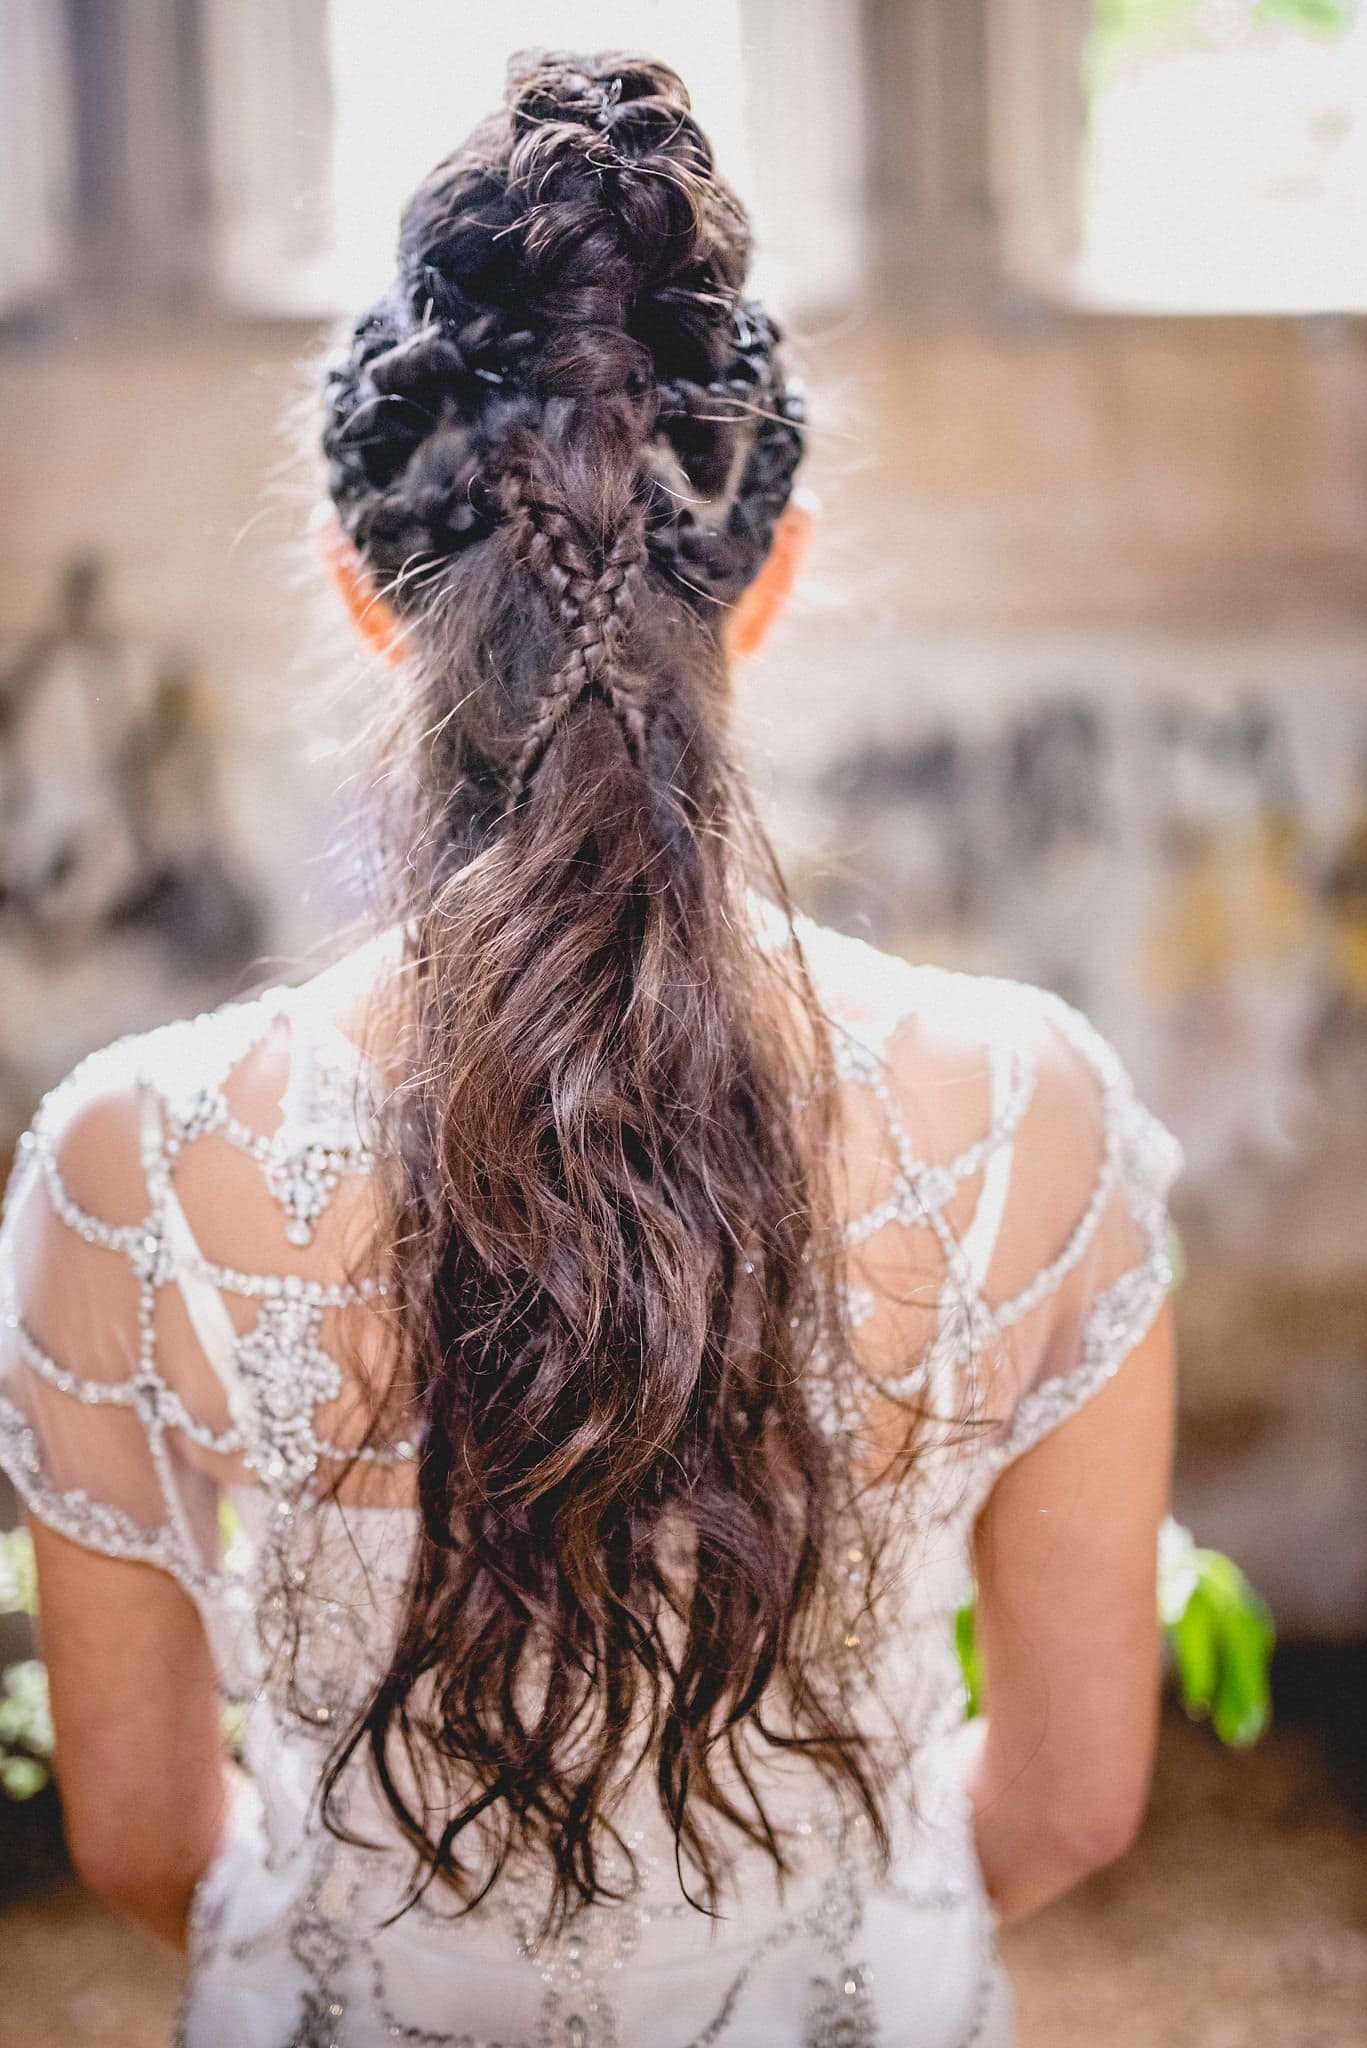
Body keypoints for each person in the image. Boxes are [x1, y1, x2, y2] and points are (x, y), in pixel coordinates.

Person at [0, 50, 1183, 2048]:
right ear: (767, 569)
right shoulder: (1039, 1118)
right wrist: (820, 1942)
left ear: (362, 580)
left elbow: (135, 1833)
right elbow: (1073, 1797)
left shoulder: (125, 1163)